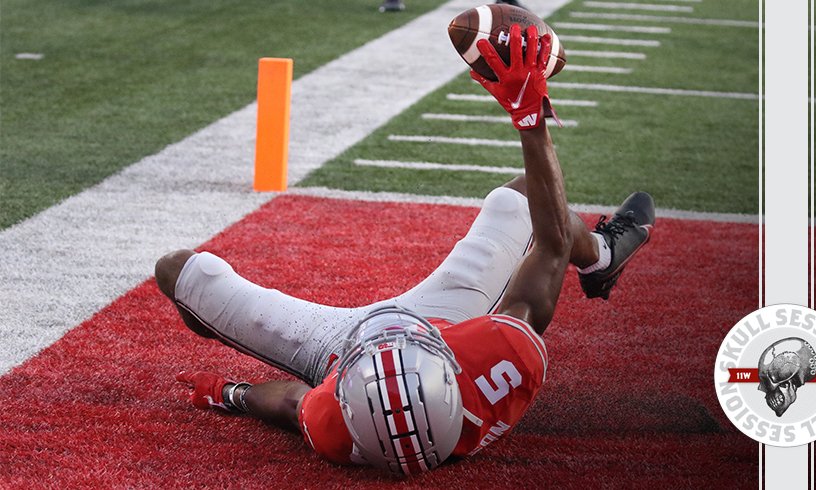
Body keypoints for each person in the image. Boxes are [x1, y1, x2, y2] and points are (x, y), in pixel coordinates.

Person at [157, 24, 654, 475]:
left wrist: (231, 393)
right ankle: (603, 257)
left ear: (344, 393)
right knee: (527, 196)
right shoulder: (501, 361)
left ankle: (298, 337)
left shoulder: (335, 423)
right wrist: (530, 120)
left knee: (181, 273)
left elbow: (291, 401)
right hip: (444, 321)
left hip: (338, 347)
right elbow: (551, 243)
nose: (385, 325)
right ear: (452, 374)